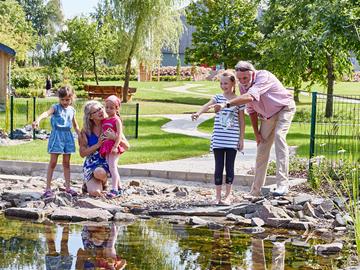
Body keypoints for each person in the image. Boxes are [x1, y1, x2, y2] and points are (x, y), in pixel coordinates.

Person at [211, 61, 296, 197]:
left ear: (252, 72)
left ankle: (283, 185)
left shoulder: (263, 77)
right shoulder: (242, 87)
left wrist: (226, 104)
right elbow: (251, 110)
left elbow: (251, 96)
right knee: (262, 149)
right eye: (240, 79)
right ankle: (255, 191)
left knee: (279, 137)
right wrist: (256, 134)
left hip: (284, 108)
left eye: (245, 78)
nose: (243, 81)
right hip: (267, 116)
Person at [192, 72, 245, 205]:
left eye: (226, 83)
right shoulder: (217, 98)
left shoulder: (238, 101)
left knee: (229, 167)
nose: (223, 85)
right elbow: (206, 105)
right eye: (221, 83)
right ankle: (217, 196)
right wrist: (198, 113)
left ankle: (228, 196)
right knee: (218, 167)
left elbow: (242, 121)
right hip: (218, 138)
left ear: (233, 83)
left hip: (232, 139)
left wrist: (241, 139)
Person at [32, 86, 80, 198]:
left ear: (72, 98)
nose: (64, 102)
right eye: (62, 99)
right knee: (53, 162)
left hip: (68, 136)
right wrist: (38, 120)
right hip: (57, 136)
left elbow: (75, 126)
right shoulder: (55, 108)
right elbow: (46, 113)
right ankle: (48, 188)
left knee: (66, 163)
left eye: (67, 100)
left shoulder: (72, 110)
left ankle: (68, 187)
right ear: (59, 99)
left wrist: (81, 136)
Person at [79, 100, 112, 197]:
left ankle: (104, 181)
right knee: (95, 193)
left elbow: (126, 145)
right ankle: (88, 183)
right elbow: (82, 153)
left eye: (101, 108)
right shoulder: (85, 131)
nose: (101, 111)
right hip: (91, 163)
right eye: (96, 111)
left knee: (99, 172)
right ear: (90, 116)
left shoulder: (111, 125)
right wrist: (97, 145)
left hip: (106, 161)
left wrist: (114, 137)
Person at [99, 95, 129, 198]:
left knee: (112, 167)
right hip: (106, 146)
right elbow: (104, 131)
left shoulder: (117, 120)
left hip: (113, 147)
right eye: (107, 107)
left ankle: (114, 189)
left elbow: (119, 135)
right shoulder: (105, 120)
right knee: (112, 167)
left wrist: (116, 146)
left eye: (111, 108)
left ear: (117, 108)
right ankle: (120, 187)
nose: (108, 110)